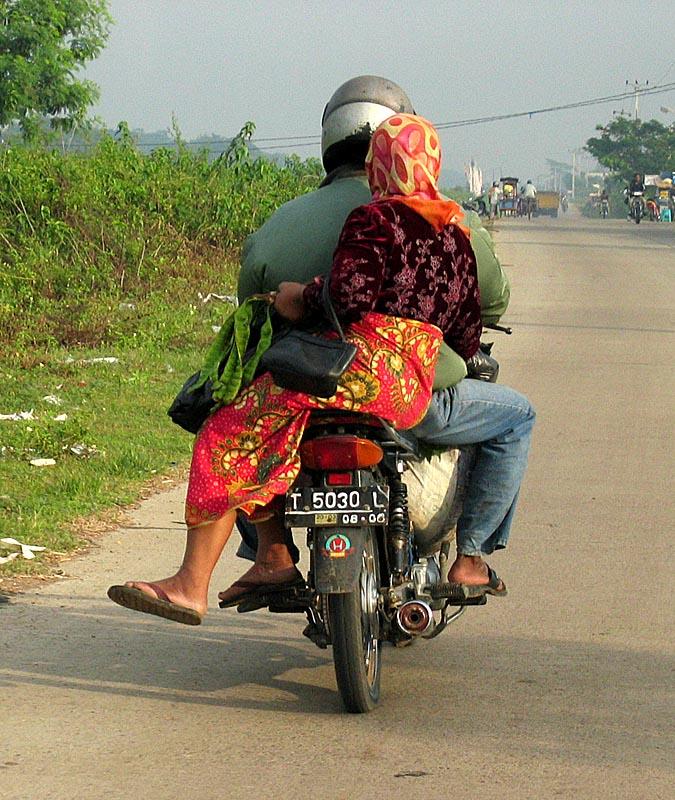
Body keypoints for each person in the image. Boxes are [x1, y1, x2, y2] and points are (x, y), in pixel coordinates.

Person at [107, 113, 487, 623]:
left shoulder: (375, 220)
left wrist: (299, 295)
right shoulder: (455, 234)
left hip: (361, 370)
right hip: (411, 387)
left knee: (226, 431)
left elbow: (349, 297)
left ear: (379, 165)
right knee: (272, 427)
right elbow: (466, 336)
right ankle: (273, 557)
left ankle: (193, 583)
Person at [235, 75, 511, 564]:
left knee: (238, 413)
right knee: (511, 414)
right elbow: (485, 306)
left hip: (311, 385)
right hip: (405, 389)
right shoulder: (448, 223)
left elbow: (257, 310)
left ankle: (269, 551)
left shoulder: (279, 225)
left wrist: (302, 298)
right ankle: (472, 556)